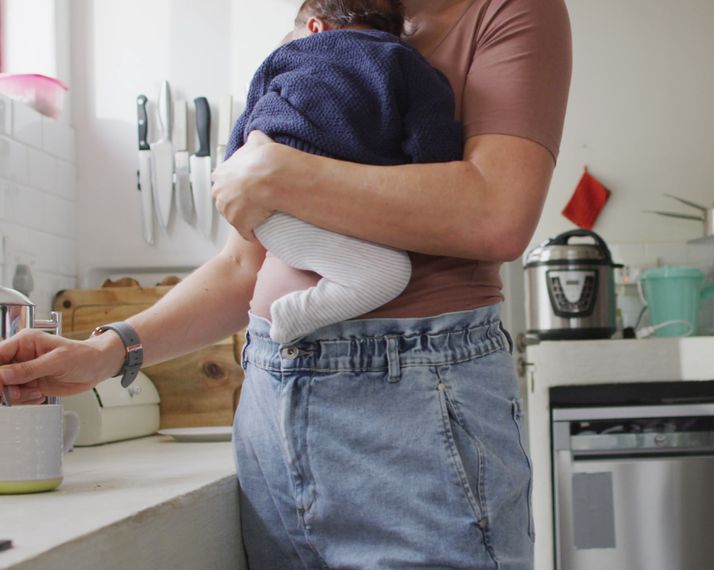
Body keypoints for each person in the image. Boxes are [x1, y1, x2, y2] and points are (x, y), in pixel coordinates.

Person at [0, 0, 572, 566]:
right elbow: (243, 267)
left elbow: (496, 214)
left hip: (415, 407)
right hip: (270, 401)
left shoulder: (504, 11)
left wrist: (279, 173)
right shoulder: (310, 49)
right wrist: (106, 351)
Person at [227, 0, 462, 344]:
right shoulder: (409, 64)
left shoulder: (282, 58)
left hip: (273, 213)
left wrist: (236, 180)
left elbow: (244, 132)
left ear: (314, 27)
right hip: (330, 207)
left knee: (382, 270)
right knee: (389, 274)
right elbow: (434, 147)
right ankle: (294, 314)